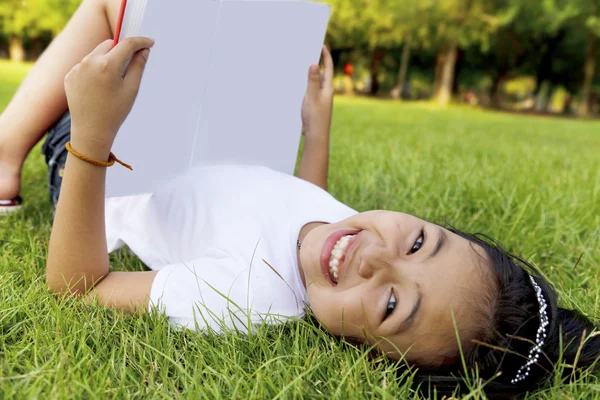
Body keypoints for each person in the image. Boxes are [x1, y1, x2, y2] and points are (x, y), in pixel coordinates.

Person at [0, 1, 598, 398]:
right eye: (419, 241)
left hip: (113, 171)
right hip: (195, 148)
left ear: (371, 357)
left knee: (114, 6)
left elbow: (80, 286)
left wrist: (93, 136)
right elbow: (306, 201)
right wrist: (318, 129)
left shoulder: (245, 296)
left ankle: (8, 152)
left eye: (391, 302)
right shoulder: (348, 234)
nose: (372, 257)